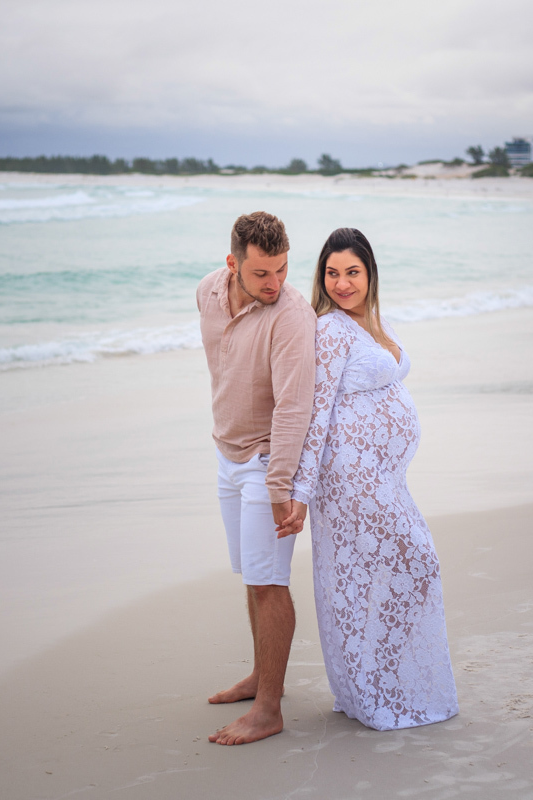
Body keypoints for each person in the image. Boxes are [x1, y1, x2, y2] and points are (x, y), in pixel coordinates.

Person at [289, 227, 458, 731]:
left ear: (370, 274)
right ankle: (374, 688)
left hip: (385, 479)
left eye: (352, 272)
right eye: (332, 273)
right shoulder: (330, 330)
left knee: (388, 578)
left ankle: (382, 682)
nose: (342, 283)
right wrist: (300, 490)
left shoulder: (370, 323)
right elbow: (315, 413)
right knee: (399, 569)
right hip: (351, 481)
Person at [196, 211, 316, 745]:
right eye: (262, 273)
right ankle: (260, 678)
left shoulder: (291, 316)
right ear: (232, 265)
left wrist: (280, 486)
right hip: (226, 452)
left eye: (283, 270)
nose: (275, 284)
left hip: (268, 459)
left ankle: (269, 708)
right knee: (251, 573)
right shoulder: (207, 293)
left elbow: (294, 407)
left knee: (269, 581)